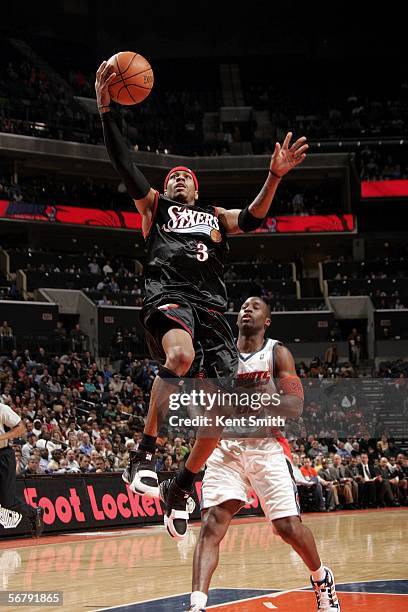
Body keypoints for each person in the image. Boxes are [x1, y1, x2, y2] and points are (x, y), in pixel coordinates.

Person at [95, 61, 308, 539]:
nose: (176, 180)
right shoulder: (155, 208)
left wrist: (274, 177)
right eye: (171, 176)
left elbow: (252, 219)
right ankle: (144, 453)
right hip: (170, 296)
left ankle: (180, 486)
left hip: (213, 310)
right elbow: (123, 162)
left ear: (197, 187)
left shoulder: (215, 217)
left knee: (220, 417)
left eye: (184, 177)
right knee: (180, 355)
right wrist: (106, 107)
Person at [188, 297, 340, 612]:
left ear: (267, 320)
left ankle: (321, 578)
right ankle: (197, 605)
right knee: (213, 522)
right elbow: (204, 405)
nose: (247, 309)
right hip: (227, 448)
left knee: (286, 527)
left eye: (255, 307)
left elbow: (295, 407)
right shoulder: (220, 356)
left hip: (266, 447)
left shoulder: (276, 353)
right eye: (243, 306)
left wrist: (263, 400)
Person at [0, 402, 44, 536]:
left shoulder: (2, 408)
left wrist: (1, 437)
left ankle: (34, 512)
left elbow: (21, 429)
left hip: (3, 455)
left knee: (7, 501)